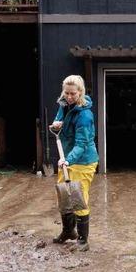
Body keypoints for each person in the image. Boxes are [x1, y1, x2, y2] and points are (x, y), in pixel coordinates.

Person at [50, 75, 99, 252]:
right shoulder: (63, 104)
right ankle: (68, 231)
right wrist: (57, 124)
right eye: (67, 93)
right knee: (63, 194)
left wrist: (68, 159)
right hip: (67, 158)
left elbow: (82, 143)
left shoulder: (85, 115)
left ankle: (83, 240)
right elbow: (59, 119)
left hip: (83, 160)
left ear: (80, 92)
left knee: (78, 197)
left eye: (73, 94)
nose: (69, 97)